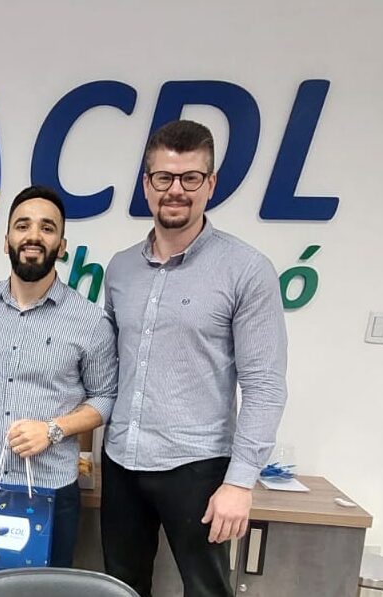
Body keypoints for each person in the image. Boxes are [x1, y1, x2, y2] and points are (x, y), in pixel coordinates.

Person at [101, 120, 288, 597]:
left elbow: (265, 385)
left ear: (211, 184)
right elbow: (110, 365)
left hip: (198, 467)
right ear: (147, 184)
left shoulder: (246, 270)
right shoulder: (120, 269)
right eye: (164, 177)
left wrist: (240, 482)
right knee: (121, 587)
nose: (176, 190)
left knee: (207, 591)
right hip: (121, 459)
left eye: (190, 178)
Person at [0, 185, 118, 571]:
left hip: (51, 488)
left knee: (43, 590)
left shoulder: (90, 321)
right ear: (6, 241)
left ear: (61, 245)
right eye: (23, 225)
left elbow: (105, 397)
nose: (34, 235)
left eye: (47, 228)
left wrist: (52, 430)